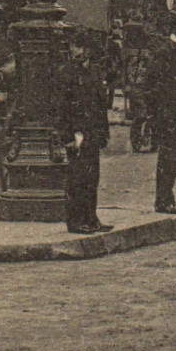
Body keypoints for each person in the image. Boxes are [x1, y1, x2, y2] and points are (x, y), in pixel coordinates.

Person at [142, 12, 176, 214]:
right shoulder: (166, 53)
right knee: (169, 157)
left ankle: (167, 197)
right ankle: (163, 200)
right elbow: (152, 85)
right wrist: (158, 113)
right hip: (168, 115)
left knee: (175, 156)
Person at [60, 33, 112, 234]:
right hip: (77, 131)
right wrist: (67, 137)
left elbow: (100, 106)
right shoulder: (67, 73)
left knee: (92, 177)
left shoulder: (95, 72)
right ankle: (75, 220)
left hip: (92, 130)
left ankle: (91, 218)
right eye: (74, 47)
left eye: (80, 47)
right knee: (77, 178)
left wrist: (104, 131)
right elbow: (62, 107)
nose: (77, 51)